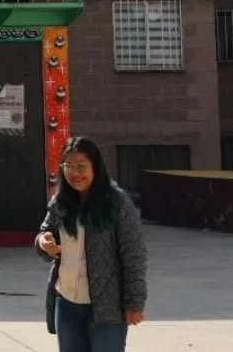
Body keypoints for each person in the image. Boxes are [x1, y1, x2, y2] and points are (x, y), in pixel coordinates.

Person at [36, 136, 148, 352]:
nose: (75, 173)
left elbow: (134, 254)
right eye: (69, 166)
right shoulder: (60, 201)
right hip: (67, 304)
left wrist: (135, 302)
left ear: (95, 166)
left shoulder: (116, 202)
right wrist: (43, 242)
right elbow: (45, 233)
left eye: (81, 166)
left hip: (107, 308)